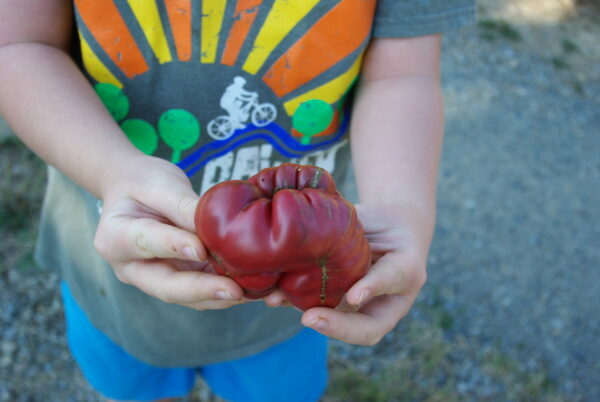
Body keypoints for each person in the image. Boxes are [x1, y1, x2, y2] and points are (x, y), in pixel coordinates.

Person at [0, 0, 475, 401]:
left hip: (294, 303)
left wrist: (401, 207)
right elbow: (19, 43)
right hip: (112, 276)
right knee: (130, 386)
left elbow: (402, 73)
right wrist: (109, 170)